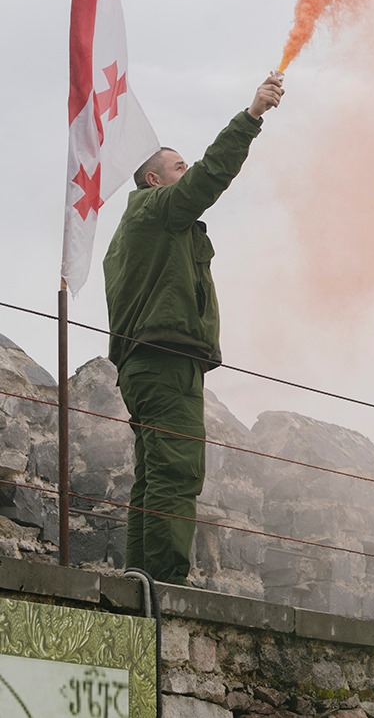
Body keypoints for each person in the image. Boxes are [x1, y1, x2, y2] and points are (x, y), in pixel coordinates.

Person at [103, 73, 285, 585]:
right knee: (178, 470)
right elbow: (210, 176)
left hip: (144, 366)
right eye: (178, 167)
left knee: (153, 476)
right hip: (166, 365)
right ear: (154, 180)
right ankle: (164, 587)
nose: (188, 174)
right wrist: (251, 116)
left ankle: (141, 582)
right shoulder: (157, 209)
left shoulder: (137, 230)